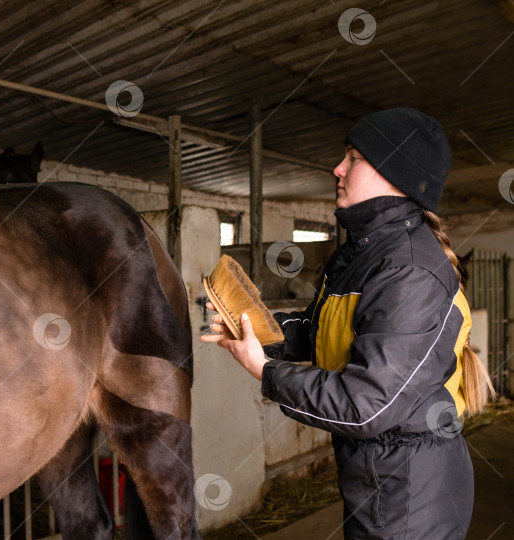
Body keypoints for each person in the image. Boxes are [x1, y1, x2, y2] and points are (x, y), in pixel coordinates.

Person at [202, 107, 495, 539]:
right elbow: (319, 328)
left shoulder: (410, 272)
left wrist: (265, 371)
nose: (337, 168)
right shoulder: (358, 255)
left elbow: (367, 407)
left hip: (412, 492)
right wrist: (252, 328)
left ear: (395, 173)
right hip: (375, 478)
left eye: (354, 158)